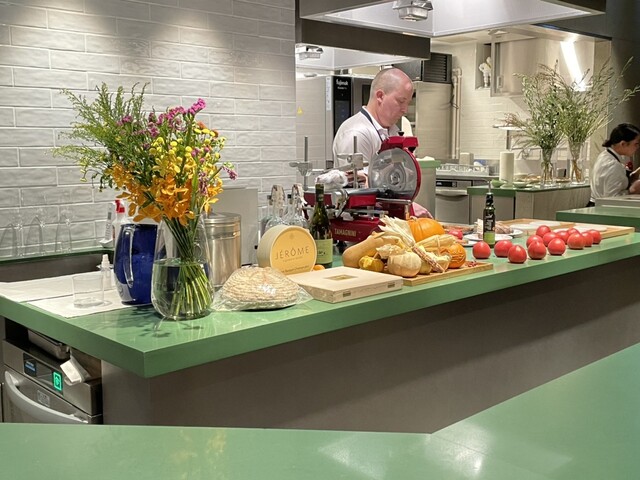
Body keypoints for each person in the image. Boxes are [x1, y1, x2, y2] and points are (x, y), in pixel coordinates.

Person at [332, 68, 432, 217]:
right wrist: (406, 207)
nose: (405, 110)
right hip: (357, 222)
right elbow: (360, 190)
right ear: (380, 96)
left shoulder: (392, 130)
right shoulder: (357, 133)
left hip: (384, 219)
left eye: (408, 103)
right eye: (401, 101)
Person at [589, 123, 640, 206]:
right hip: (602, 209)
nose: (637, 148)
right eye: (636, 144)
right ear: (623, 144)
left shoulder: (605, 155)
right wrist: (631, 191)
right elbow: (611, 199)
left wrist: (632, 177)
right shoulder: (613, 165)